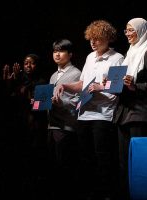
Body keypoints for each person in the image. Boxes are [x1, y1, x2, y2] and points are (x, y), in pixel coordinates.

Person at [54, 20, 124, 200]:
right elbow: (82, 84)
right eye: (90, 39)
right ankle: (91, 192)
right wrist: (65, 85)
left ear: (107, 38)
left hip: (103, 114)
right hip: (84, 114)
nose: (93, 42)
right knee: (86, 157)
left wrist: (100, 87)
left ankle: (107, 193)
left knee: (103, 157)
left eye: (97, 38)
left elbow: (117, 86)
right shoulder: (89, 57)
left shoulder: (117, 58)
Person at [113, 17, 147, 199]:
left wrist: (136, 86)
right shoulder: (129, 53)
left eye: (131, 30)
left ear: (141, 31)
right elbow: (124, 82)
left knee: (138, 162)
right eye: (126, 30)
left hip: (140, 113)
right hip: (124, 113)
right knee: (123, 162)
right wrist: (111, 84)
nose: (127, 34)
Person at [2, 53, 49, 198]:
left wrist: (32, 100)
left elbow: (44, 105)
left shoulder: (42, 81)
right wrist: (10, 83)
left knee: (35, 158)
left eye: (32, 63)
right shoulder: (18, 80)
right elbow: (9, 101)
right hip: (20, 125)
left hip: (36, 125)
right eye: (26, 63)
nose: (28, 66)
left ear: (37, 65)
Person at [48, 38, 81, 200]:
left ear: (70, 54)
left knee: (65, 167)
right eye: (55, 51)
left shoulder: (76, 73)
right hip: (52, 125)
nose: (57, 54)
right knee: (53, 167)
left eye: (61, 51)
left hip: (66, 126)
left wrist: (61, 102)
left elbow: (77, 102)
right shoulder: (53, 75)